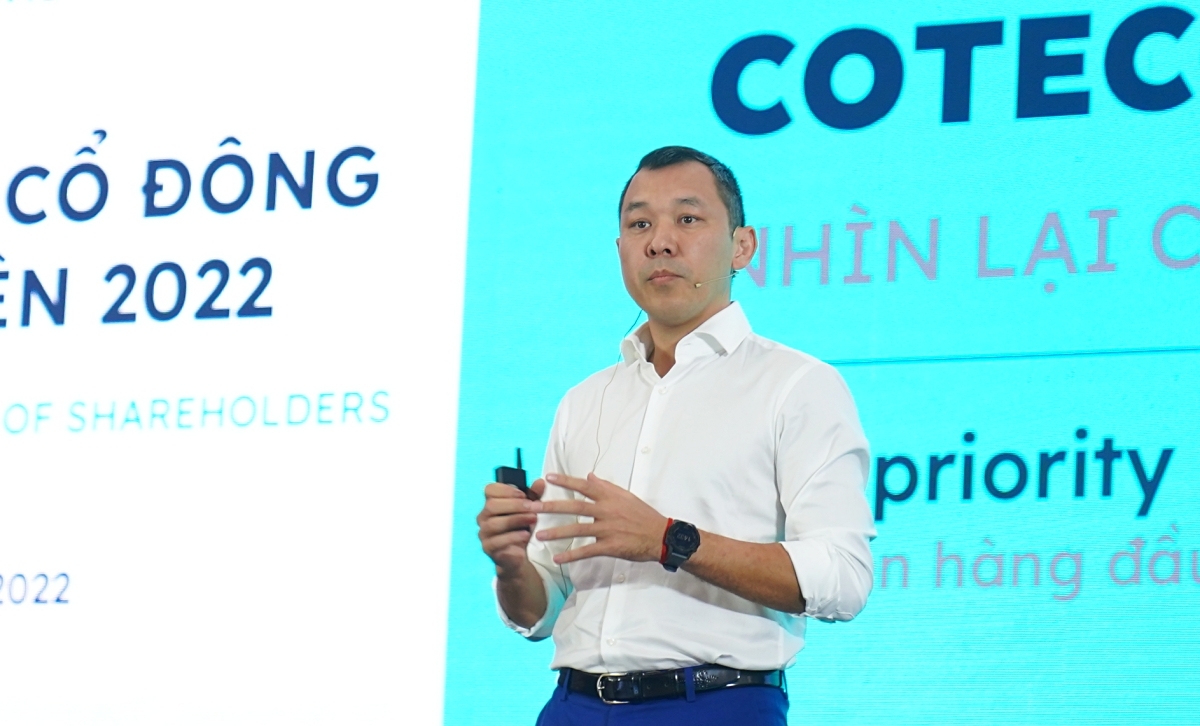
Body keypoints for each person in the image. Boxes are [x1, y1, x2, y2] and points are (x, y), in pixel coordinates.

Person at [476, 146, 875, 725]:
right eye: (640, 225)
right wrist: (512, 566)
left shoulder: (797, 386)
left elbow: (842, 577)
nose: (660, 242)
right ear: (619, 250)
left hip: (716, 704)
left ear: (743, 246)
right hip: (572, 706)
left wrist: (669, 540)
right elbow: (538, 612)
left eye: (688, 219)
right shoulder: (583, 401)